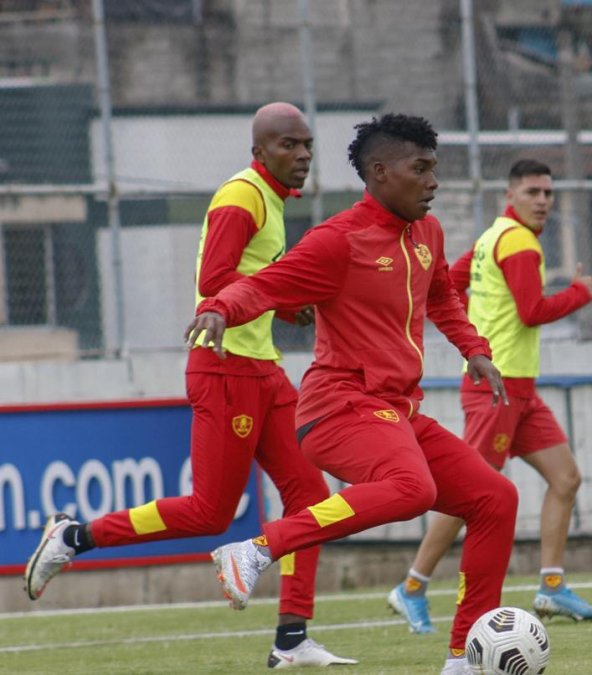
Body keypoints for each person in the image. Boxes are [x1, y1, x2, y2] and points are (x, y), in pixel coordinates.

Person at [23, 102, 355, 668]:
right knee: (210, 513)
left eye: (306, 146)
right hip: (224, 368)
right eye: (288, 146)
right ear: (259, 152)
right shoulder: (242, 195)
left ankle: (293, 639)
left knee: (310, 498)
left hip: (263, 369)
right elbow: (215, 281)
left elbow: (254, 281)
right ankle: (74, 537)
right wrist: (277, 299)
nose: (301, 156)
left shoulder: (272, 200)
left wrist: (285, 306)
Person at [185, 112, 519, 675]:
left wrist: (475, 349)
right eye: (422, 169)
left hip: (396, 412)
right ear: (381, 173)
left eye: (435, 167)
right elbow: (262, 286)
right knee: (412, 488)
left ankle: (463, 659)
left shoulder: (427, 234)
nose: (434, 181)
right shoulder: (337, 241)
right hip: (338, 409)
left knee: (495, 500)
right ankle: (257, 549)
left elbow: (442, 299)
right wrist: (218, 308)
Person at [387, 159, 592, 633]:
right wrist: (581, 294)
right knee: (474, 491)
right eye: (533, 192)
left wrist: (477, 326)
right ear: (511, 194)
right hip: (496, 389)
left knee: (565, 479)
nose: (543, 200)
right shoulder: (519, 242)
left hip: (518, 388)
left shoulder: (491, 237)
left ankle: (550, 587)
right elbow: (531, 311)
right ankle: (413, 587)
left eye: (548, 192)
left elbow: (450, 284)